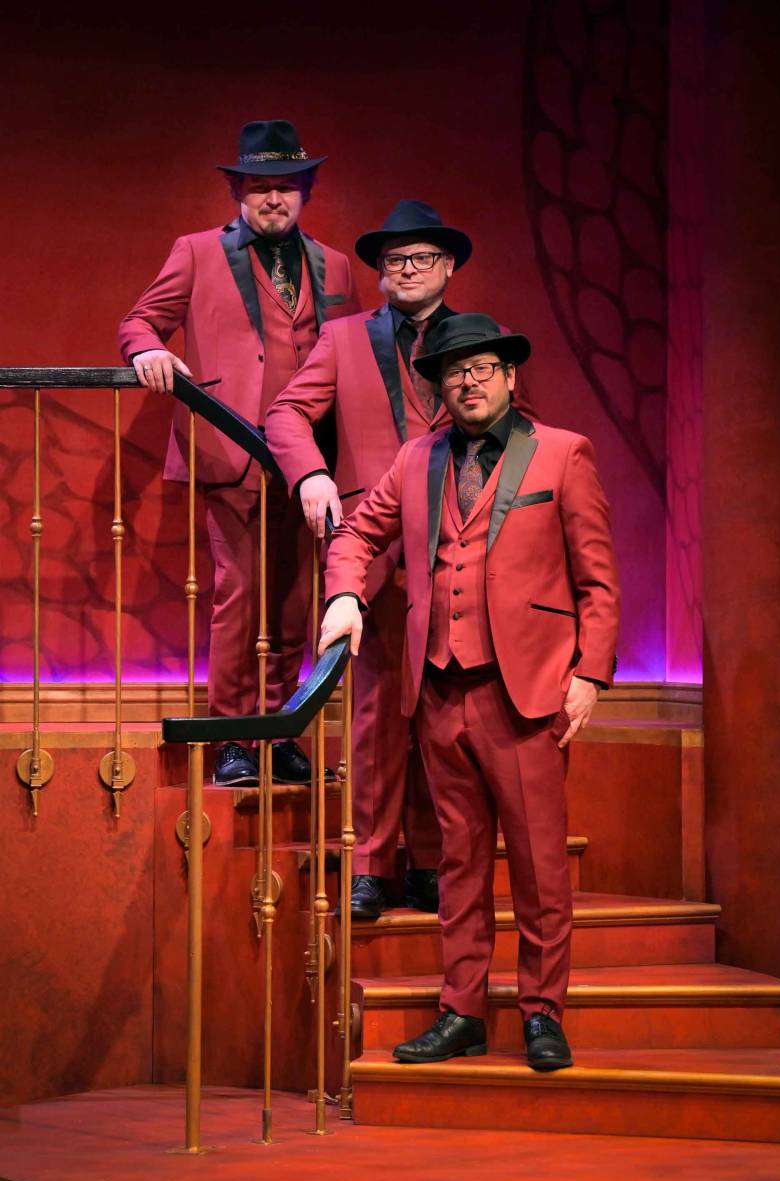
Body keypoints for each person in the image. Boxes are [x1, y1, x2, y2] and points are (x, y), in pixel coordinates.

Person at [319, 313, 620, 1071]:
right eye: (455, 371)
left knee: (539, 864)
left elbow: (598, 578)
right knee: (457, 864)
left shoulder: (562, 452)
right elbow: (357, 533)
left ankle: (542, 1011)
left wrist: (589, 673)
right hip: (439, 689)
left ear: (511, 377)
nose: (469, 380)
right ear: (439, 388)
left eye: (483, 367)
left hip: (526, 693)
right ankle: (461, 1010)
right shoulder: (416, 459)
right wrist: (346, 594)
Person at [119, 120, 359, 786]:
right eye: (259, 187)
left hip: (308, 459)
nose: (272, 200)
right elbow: (140, 320)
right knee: (241, 593)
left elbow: (355, 358)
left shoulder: (334, 264)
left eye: (284, 186)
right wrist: (146, 349)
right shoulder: (196, 252)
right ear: (238, 192)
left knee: (292, 604)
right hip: (230, 452)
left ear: (305, 191)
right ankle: (233, 735)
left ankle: (279, 731)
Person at [265, 199, 475, 918]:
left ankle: (429, 861)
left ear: (447, 266)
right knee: (376, 714)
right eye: (393, 262)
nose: (405, 270)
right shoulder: (345, 337)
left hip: (460, 551)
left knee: (444, 712)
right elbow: (286, 412)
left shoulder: (482, 343)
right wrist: (312, 473)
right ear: (380, 275)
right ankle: (371, 864)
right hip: (374, 549)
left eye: (419, 259)